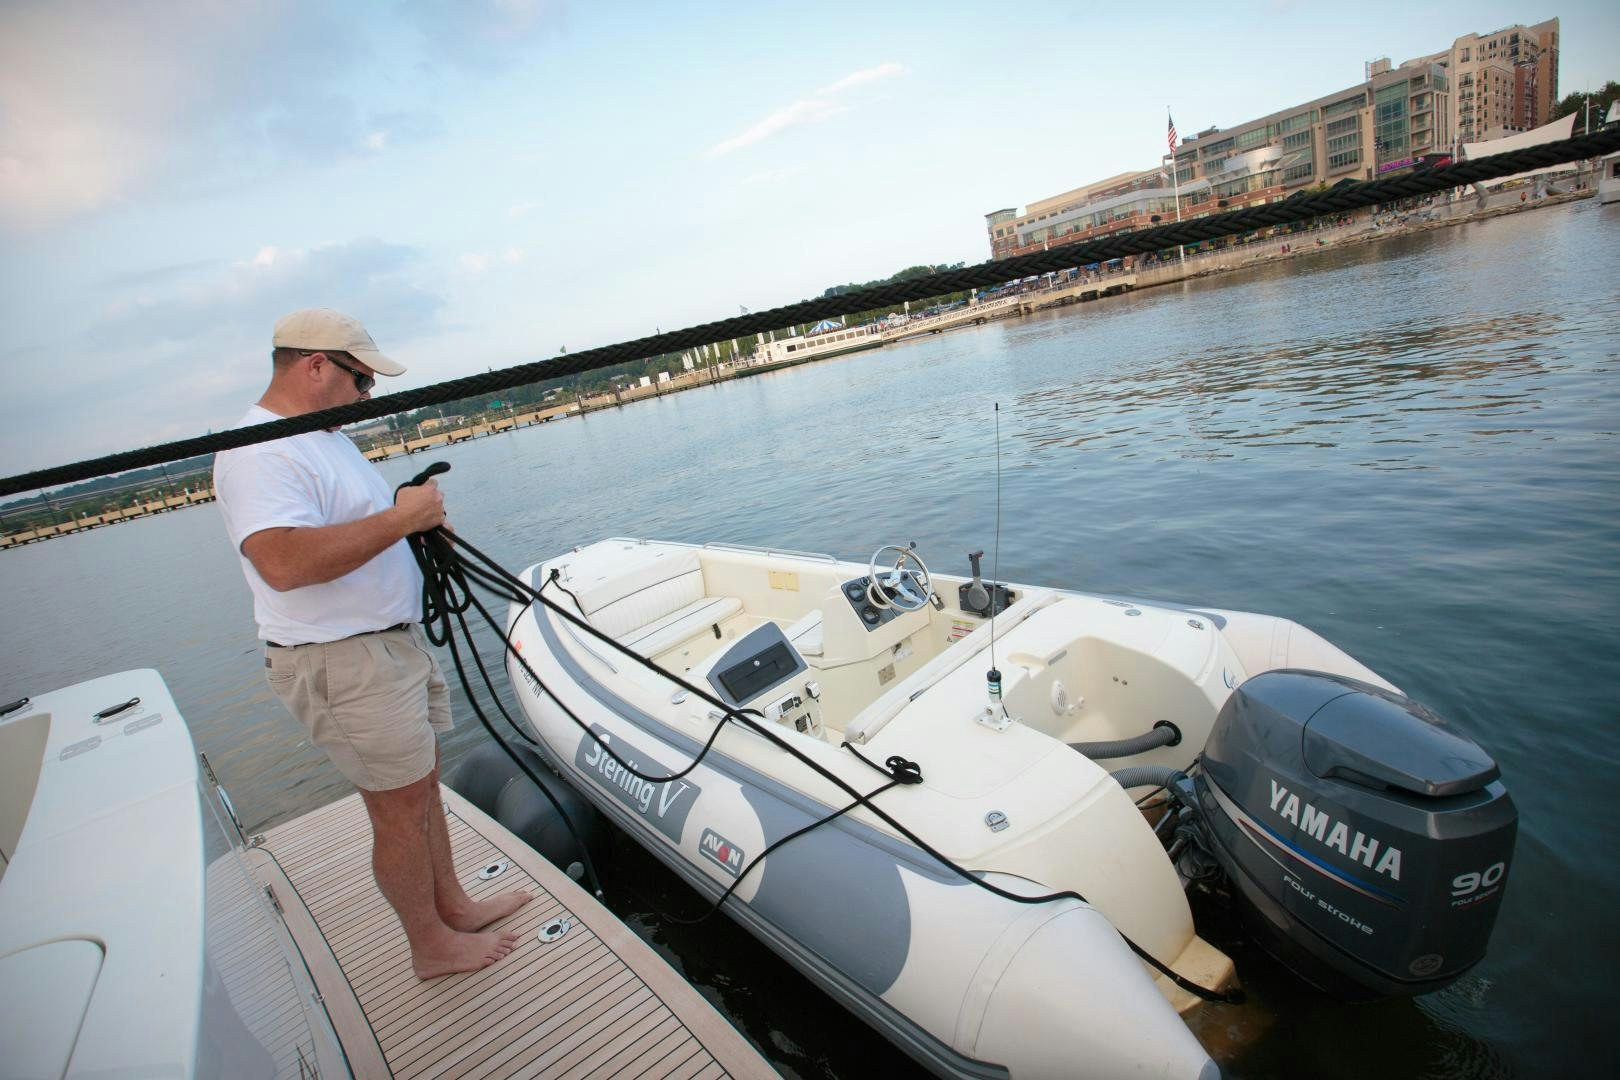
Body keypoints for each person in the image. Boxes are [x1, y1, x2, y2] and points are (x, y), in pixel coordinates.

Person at [213, 308, 531, 979]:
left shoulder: (322, 438)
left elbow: (353, 530)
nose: (367, 396)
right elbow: (283, 562)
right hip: (342, 662)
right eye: (360, 380)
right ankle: (431, 946)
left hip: (386, 650)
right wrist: (400, 517)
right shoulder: (258, 450)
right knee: (398, 810)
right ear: (316, 366)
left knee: (419, 790)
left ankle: (455, 908)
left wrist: (411, 522)